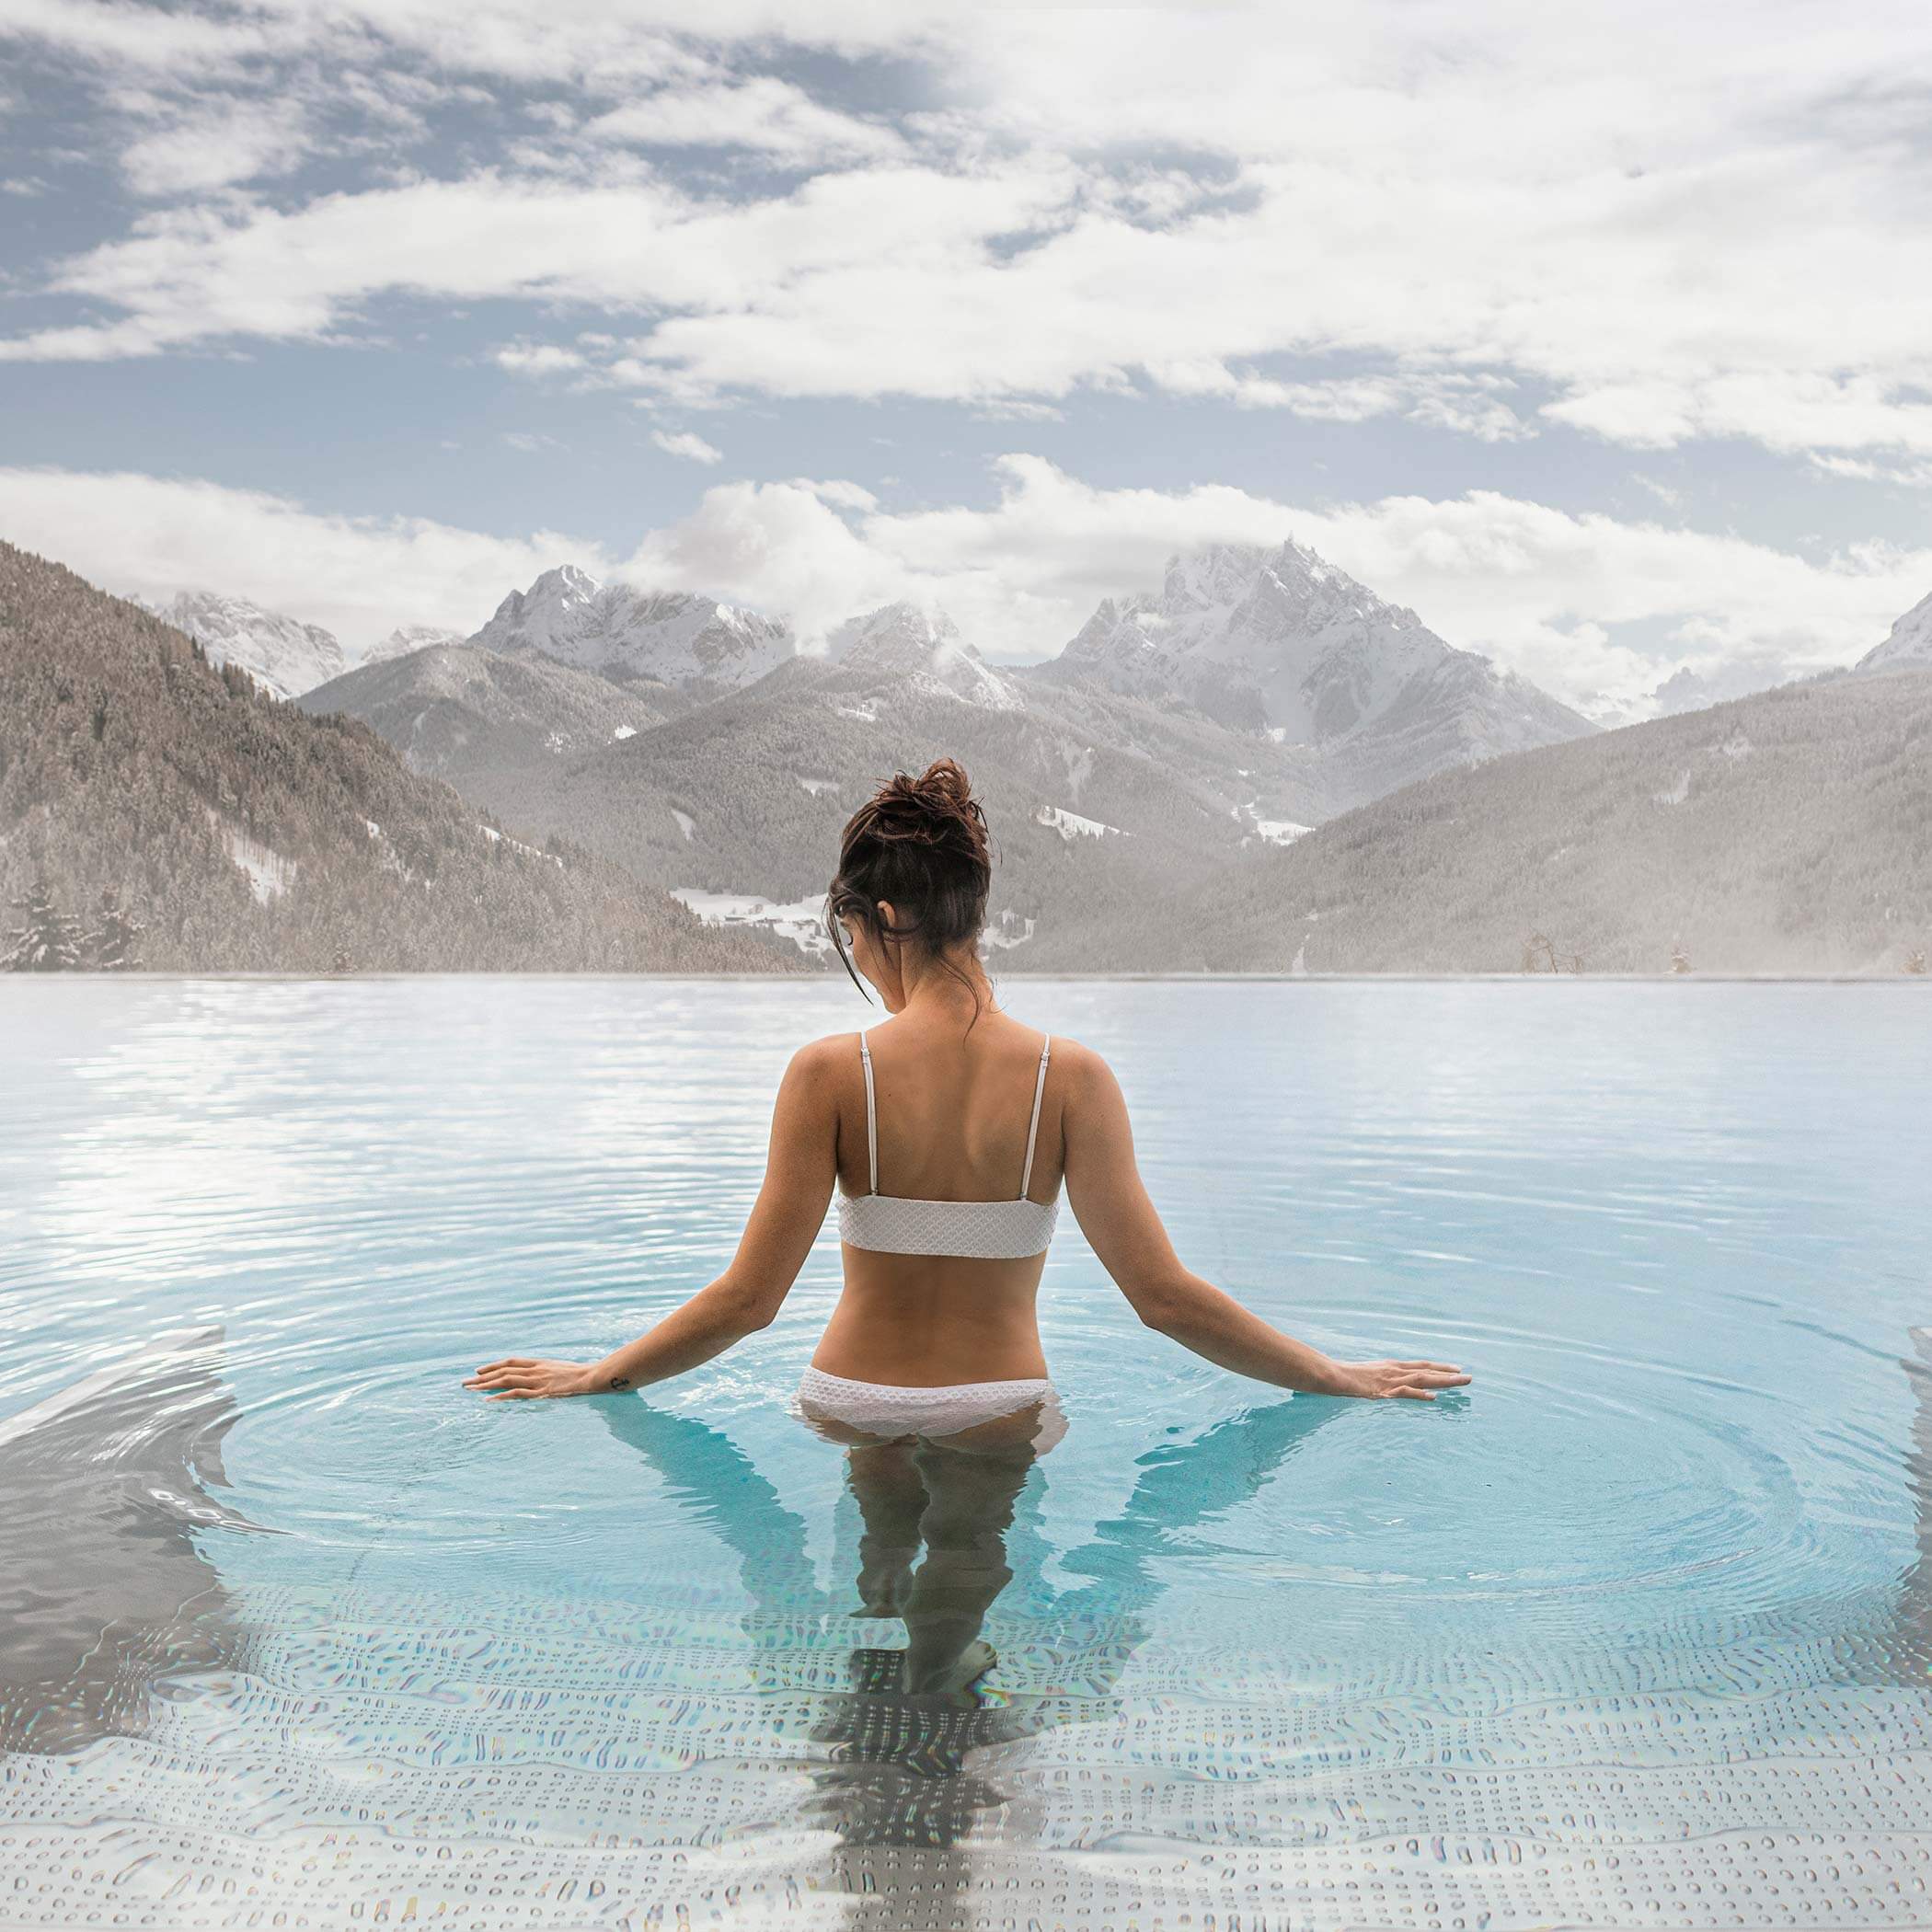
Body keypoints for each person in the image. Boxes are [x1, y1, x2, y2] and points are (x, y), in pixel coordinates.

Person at [464, 756, 1470, 1428]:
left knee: (870, 1636)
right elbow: (1163, 1300)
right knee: (964, 1627)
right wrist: (1336, 1374)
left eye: (852, 932)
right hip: (1001, 1404)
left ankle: (866, 1749)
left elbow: (748, 1302)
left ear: (885, 915)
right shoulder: (1070, 1079)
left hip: (848, 1397)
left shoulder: (829, 1073)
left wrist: (598, 1374)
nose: (855, 952)